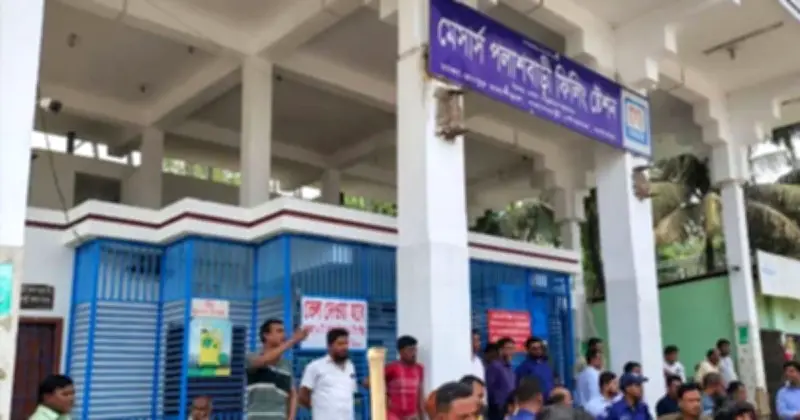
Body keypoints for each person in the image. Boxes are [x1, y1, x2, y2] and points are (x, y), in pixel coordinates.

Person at [247, 319, 309, 419]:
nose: (283, 335)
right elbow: (263, 360)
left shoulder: (287, 365)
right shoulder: (251, 357)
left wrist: (291, 418)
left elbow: (292, 395)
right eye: (279, 331)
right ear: (266, 335)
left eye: (283, 331)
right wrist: (292, 341)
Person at [299, 328, 357, 420]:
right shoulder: (315, 366)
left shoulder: (350, 366)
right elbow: (302, 396)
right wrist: (319, 409)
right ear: (329, 346)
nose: (344, 347)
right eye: (340, 344)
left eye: (346, 344)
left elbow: (350, 394)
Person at [383, 335, 425, 420]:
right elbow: (369, 382)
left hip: (412, 417)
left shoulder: (419, 369)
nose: (414, 353)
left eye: (415, 350)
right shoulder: (392, 368)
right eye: (410, 350)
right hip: (393, 416)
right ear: (401, 352)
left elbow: (420, 395)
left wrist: (422, 417)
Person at [487, 337, 517, 420]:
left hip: (510, 408)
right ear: (500, 350)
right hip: (498, 410)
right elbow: (490, 389)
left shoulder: (509, 367)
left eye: (513, 349)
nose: (511, 352)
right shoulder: (495, 366)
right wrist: (499, 406)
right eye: (508, 348)